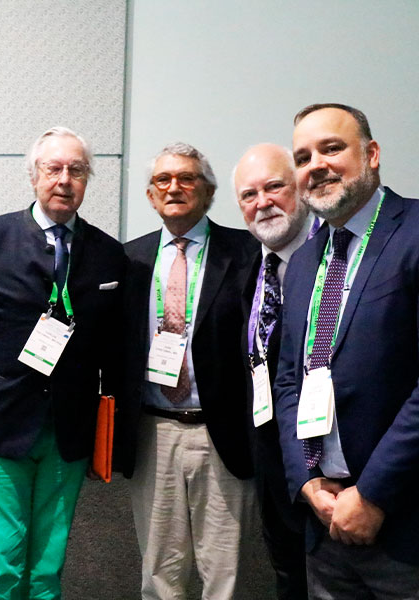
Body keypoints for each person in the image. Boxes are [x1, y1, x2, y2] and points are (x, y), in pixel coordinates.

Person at [0, 126, 125, 599]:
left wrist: (113, 434)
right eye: (53, 169)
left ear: (87, 179)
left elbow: (115, 347)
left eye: (76, 170)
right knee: (1, 570)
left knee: (47, 572)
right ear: (34, 176)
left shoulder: (108, 254)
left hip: (69, 430)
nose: (64, 179)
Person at [273, 103, 419, 598]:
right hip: (325, 524)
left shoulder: (414, 232)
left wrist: (373, 494)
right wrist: (307, 480)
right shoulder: (303, 261)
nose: (316, 165)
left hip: (404, 524)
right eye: (303, 157)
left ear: (371, 154)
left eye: (331, 148)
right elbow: (289, 381)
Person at [117, 142, 258, 600]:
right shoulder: (129, 258)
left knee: (224, 575)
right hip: (152, 432)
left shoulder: (246, 252)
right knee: (160, 573)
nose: (173, 187)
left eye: (187, 178)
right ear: (150, 195)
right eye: (163, 179)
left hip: (222, 434)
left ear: (208, 191)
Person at [233, 143, 311, 599]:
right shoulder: (250, 266)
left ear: (299, 187)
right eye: (249, 194)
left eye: (274, 187)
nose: (262, 202)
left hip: (331, 460)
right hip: (270, 453)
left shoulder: (334, 258)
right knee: (288, 574)